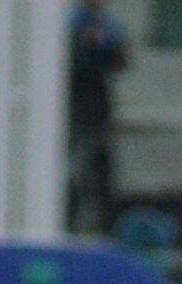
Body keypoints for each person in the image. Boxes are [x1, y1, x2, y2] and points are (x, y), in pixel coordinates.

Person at [67, 0, 131, 226]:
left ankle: (105, 226)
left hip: (96, 108)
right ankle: (69, 221)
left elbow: (121, 60)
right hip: (74, 107)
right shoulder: (70, 25)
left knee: (100, 171)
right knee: (74, 170)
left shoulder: (109, 26)